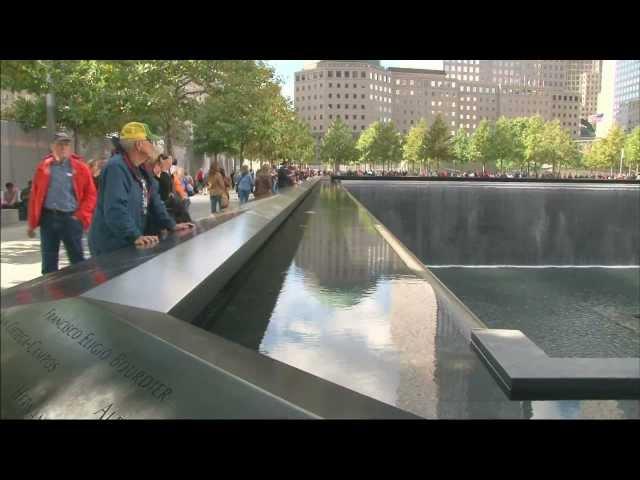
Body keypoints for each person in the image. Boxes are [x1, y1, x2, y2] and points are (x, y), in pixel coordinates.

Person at [88, 122, 193, 256]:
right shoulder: (116, 168)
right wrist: (135, 235)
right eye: (150, 141)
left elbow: (155, 202)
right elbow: (115, 209)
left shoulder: (141, 170)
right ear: (139, 145)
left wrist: (171, 225)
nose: (154, 146)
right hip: (111, 246)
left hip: (127, 242)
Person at [27, 131, 97, 274]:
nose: (63, 148)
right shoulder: (43, 167)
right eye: (60, 144)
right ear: (52, 146)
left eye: (66, 144)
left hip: (70, 218)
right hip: (48, 219)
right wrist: (32, 223)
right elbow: (35, 196)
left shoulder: (80, 167)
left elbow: (91, 194)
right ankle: (50, 293)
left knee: (77, 260)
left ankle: (81, 291)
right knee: (48, 261)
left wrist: (80, 216)